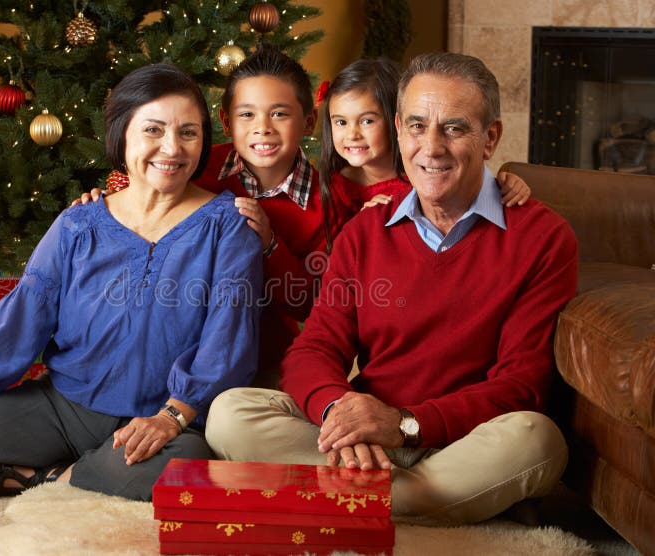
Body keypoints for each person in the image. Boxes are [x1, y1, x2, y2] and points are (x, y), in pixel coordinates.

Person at [205, 52, 579, 526]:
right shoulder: (365, 231)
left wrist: (403, 424)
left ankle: (342, 499)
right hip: (366, 437)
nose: (432, 147)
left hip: (465, 439)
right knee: (230, 412)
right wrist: (342, 413)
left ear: (491, 138)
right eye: (418, 126)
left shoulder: (544, 238)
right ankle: (421, 501)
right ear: (400, 130)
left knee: (538, 441)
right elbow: (315, 348)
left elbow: (518, 387)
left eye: (455, 128)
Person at [0, 63, 263, 502]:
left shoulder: (230, 226)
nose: (171, 147)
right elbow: (19, 319)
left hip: (163, 417)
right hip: (64, 406)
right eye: (154, 130)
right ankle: (72, 475)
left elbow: (226, 345)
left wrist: (170, 419)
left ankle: (49, 477)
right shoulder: (78, 224)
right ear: (122, 134)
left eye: (188, 133)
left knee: (187, 471)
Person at [76, 45, 355, 388]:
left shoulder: (330, 203)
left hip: (261, 358)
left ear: (309, 121)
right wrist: (108, 201)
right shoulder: (193, 165)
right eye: (247, 115)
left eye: (279, 114)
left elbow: (309, 303)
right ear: (225, 121)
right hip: (169, 343)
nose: (262, 128)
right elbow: (141, 192)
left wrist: (270, 244)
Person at [317, 56, 530, 251]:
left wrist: (507, 184)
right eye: (341, 122)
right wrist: (364, 226)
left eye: (367, 121)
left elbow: (469, 181)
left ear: (396, 122)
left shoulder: (426, 177)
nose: (352, 134)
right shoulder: (331, 185)